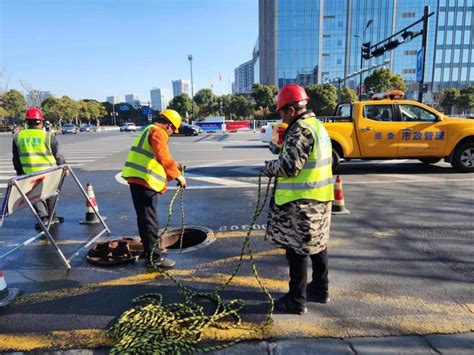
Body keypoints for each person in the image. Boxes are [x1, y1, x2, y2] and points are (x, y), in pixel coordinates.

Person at [262, 84, 334, 315]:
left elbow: (289, 166)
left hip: (302, 203)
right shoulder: (318, 127)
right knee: (318, 246)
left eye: (282, 112)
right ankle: (321, 289)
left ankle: (296, 299)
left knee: (297, 251)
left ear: (292, 109)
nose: (281, 117)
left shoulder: (301, 129)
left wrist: (268, 168)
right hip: (320, 199)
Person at [121, 109, 186, 269]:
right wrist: (178, 175)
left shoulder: (148, 129)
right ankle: (154, 258)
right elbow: (163, 155)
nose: (171, 134)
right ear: (169, 125)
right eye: (173, 131)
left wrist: (175, 165)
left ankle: (148, 250)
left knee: (144, 218)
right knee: (150, 220)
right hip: (144, 181)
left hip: (137, 179)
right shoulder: (158, 132)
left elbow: (153, 156)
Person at [12, 108, 66, 229]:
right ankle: (52, 217)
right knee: (52, 193)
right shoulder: (48, 136)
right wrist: (64, 167)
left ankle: (44, 218)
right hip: (50, 173)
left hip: (30, 173)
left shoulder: (18, 136)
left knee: (35, 196)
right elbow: (57, 155)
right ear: (41, 122)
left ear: (27, 122)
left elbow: (16, 158)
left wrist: (20, 173)